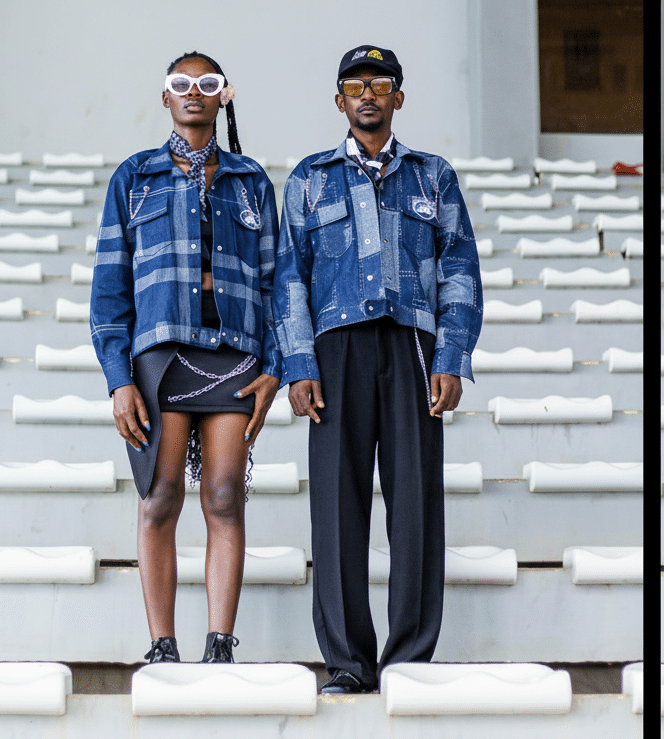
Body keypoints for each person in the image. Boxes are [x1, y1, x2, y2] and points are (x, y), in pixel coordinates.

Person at [273, 45, 483, 694]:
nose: (368, 93)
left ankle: (410, 658)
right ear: (339, 100)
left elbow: (459, 269)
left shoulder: (432, 176)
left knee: (415, 505)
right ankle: (347, 662)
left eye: (381, 83)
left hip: (413, 346)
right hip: (335, 352)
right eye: (355, 85)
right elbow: (289, 278)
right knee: (337, 507)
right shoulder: (310, 178)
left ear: (399, 97)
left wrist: (451, 355)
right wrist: (298, 363)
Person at [91, 52, 281, 664]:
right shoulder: (134, 178)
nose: (193, 91)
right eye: (181, 83)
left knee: (224, 494)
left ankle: (220, 645)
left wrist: (274, 366)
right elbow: (110, 290)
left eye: (207, 83)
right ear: (166, 97)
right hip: (161, 355)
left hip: (234, 352)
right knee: (161, 496)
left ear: (224, 95)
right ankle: (162, 645)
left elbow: (276, 283)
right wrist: (119, 380)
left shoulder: (251, 180)